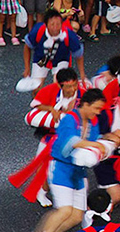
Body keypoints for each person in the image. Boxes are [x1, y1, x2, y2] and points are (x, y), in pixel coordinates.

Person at [23, 89, 109, 232]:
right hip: (61, 169)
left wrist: (104, 143)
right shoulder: (69, 119)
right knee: (64, 210)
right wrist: (95, 145)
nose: (98, 112)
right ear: (86, 104)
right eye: (96, 108)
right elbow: (69, 142)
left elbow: (96, 141)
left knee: (76, 216)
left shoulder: (92, 122)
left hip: (79, 172)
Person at [23, 67, 83, 207]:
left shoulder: (83, 93)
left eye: (75, 85)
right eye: (68, 86)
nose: (73, 89)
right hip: (51, 135)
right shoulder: (50, 90)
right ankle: (42, 192)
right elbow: (36, 106)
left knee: (73, 165)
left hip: (72, 137)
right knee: (45, 165)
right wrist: (52, 109)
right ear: (59, 85)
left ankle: (70, 194)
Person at [23, 8, 86, 90]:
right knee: (36, 88)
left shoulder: (69, 35)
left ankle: (57, 102)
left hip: (61, 60)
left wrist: (82, 74)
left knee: (58, 86)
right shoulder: (38, 30)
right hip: (41, 59)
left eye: (58, 24)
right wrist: (27, 68)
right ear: (46, 24)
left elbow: (79, 55)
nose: (55, 27)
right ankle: (38, 102)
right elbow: (27, 47)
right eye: (52, 24)